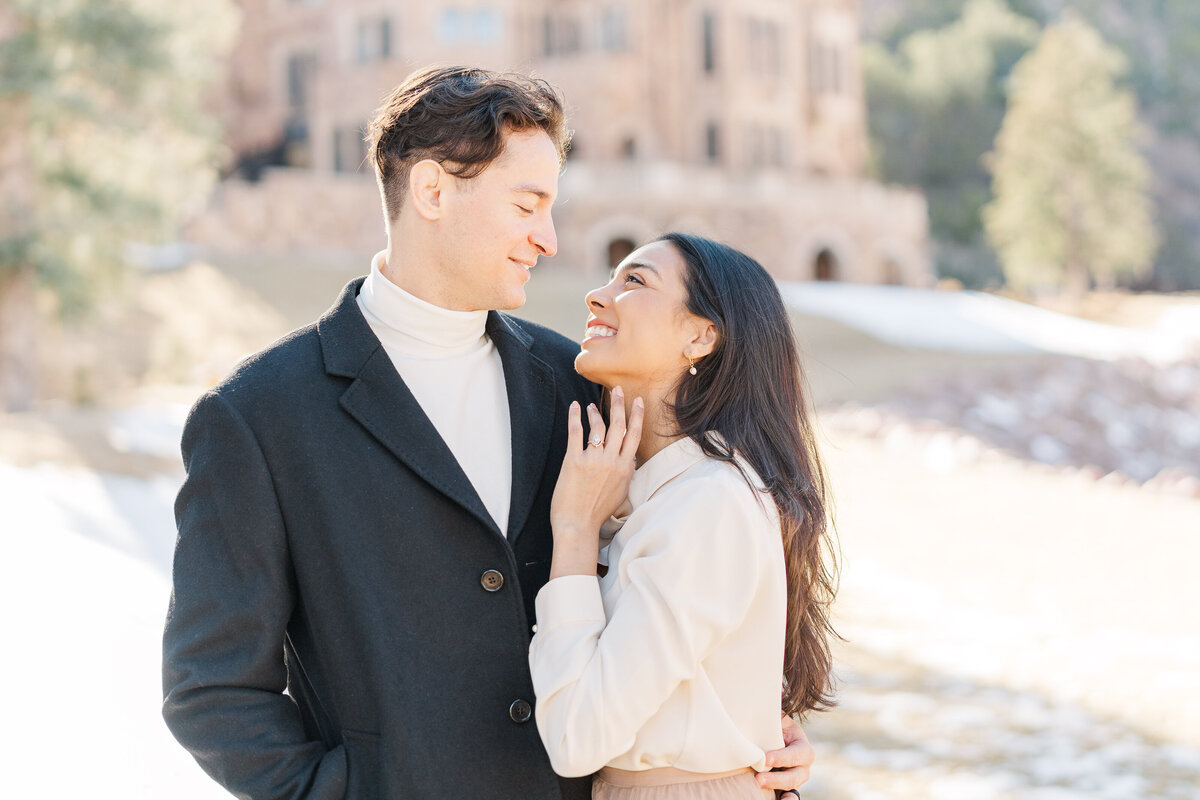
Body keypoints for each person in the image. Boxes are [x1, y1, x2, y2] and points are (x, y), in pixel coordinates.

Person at [162, 66, 816, 800]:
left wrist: (751, 733)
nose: (550, 238)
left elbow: (690, 574)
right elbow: (210, 690)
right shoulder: (257, 417)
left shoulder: (580, 385)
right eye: (528, 205)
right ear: (434, 192)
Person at [529, 233, 838, 800]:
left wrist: (573, 530)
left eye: (635, 281)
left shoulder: (711, 502)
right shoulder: (652, 495)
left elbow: (578, 736)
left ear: (700, 336)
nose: (597, 296)